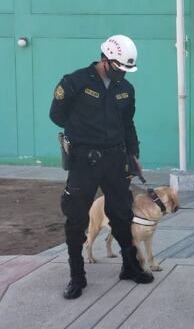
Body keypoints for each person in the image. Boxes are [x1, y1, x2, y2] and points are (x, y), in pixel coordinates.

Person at [49, 34, 154, 300]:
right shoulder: (74, 82)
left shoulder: (125, 89)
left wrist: (134, 154)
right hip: (84, 161)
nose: (123, 73)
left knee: (121, 214)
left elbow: (128, 124)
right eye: (119, 68)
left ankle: (129, 266)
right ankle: (77, 276)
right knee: (76, 218)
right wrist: (83, 131)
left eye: (127, 70)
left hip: (115, 160)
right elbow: (57, 115)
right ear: (105, 60)